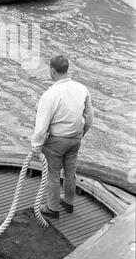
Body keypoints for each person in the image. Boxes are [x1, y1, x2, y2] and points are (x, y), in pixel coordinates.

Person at [31, 55, 93, 219]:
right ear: (67, 69)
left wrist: (36, 144)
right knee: (70, 172)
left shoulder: (50, 95)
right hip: (75, 139)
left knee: (52, 174)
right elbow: (89, 117)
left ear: (52, 71)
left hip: (57, 141)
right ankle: (69, 202)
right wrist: (82, 133)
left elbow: (42, 125)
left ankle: (52, 208)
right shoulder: (82, 89)